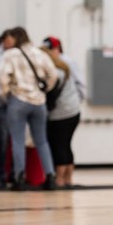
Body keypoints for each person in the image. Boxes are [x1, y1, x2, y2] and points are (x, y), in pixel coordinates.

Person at [0, 26, 58, 191]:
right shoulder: (40, 53)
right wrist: (44, 89)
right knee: (42, 140)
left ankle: (19, 177)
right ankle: (50, 176)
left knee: (18, 140)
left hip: (18, 100)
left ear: (15, 38)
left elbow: (2, 79)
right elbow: (53, 74)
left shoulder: (10, 55)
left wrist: (6, 94)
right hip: (39, 102)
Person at [41, 42, 81, 188]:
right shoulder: (64, 67)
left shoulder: (53, 72)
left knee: (58, 146)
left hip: (60, 114)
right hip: (74, 111)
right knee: (67, 144)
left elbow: (49, 93)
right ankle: (68, 178)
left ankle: (59, 179)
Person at [0, 29, 15, 189]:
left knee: (8, 140)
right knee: (2, 141)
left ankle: (8, 176)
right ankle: (1, 176)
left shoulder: (14, 55)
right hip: (3, 103)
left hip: (11, 104)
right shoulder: (0, 56)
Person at [42, 36, 86, 101]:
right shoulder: (47, 62)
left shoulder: (68, 62)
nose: (48, 53)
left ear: (58, 48)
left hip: (68, 103)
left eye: (51, 49)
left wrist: (77, 100)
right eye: (46, 50)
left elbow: (79, 81)